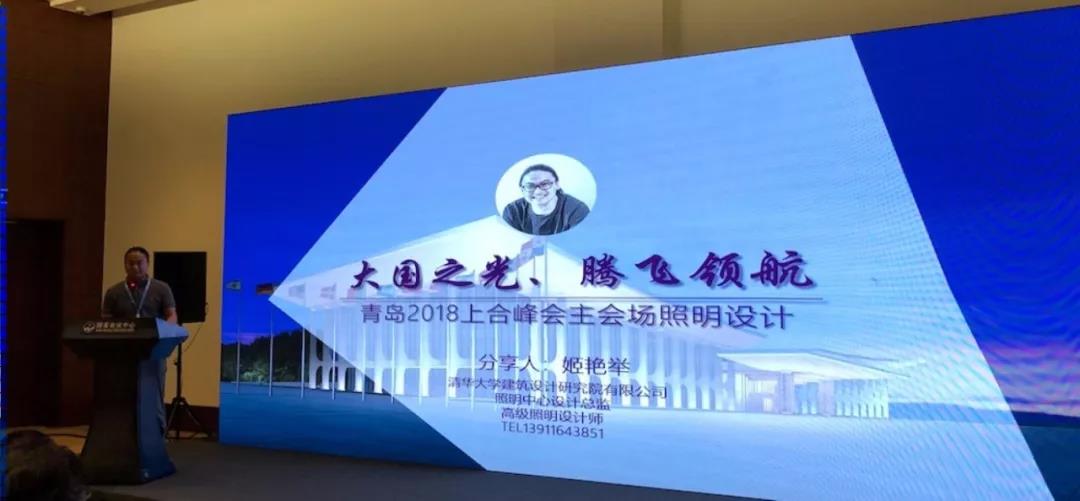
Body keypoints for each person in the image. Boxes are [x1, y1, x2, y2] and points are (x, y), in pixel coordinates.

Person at [102, 246, 178, 436]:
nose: (135, 267)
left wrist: (165, 334)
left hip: (154, 351)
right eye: (130, 263)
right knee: (123, 392)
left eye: (139, 263)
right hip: (123, 352)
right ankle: (124, 433)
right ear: (124, 265)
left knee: (154, 393)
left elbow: (171, 315)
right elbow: (105, 322)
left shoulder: (161, 288)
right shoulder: (114, 292)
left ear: (147, 264)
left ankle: (158, 433)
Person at [502, 164, 590, 235]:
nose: (538, 192)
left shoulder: (577, 210)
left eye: (545, 184)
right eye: (530, 186)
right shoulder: (512, 211)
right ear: (522, 190)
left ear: (557, 185)